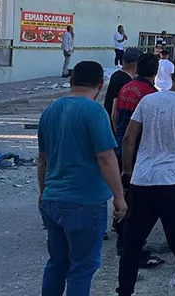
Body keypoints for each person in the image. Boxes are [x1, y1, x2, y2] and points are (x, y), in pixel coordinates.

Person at [117, 59, 175, 296]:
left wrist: (128, 170)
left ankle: (124, 290)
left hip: (142, 180)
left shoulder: (148, 101)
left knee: (132, 242)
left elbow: (128, 138)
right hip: (174, 183)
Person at [37, 61, 127, 296]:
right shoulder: (94, 112)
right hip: (84, 201)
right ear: (101, 84)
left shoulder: (51, 110)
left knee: (57, 264)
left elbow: (43, 159)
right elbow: (106, 157)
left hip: (52, 199)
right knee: (82, 268)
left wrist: (42, 191)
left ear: (71, 81)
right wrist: (119, 197)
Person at [111, 54, 160, 263]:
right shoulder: (151, 94)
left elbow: (115, 115)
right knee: (137, 200)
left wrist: (118, 136)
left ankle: (122, 235)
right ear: (155, 72)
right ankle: (129, 244)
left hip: (120, 145)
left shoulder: (126, 87)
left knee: (123, 193)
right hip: (138, 149)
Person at [104, 48, 143, 126]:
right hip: (117, 126)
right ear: (136, 64)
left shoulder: (116, 75)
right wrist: (117, 130)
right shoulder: (125, 82)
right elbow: (114, 114)